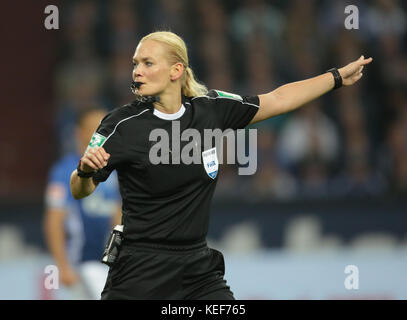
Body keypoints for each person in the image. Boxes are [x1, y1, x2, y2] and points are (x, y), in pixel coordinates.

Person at [70, 31, 373, 300]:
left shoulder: (211, 110)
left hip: (196, 268)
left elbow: (278, 99)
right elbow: (80, 190)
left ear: (176, 70)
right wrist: (84, 171)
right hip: (139, 269)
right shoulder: (120, 124)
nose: (137, 71)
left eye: (148, 63)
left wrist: (335, 78)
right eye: (135, 64)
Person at [44, 107, 122, 299]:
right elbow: (54, 221)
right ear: (79, 133)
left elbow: (118, 218)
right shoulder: (64, 171)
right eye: (96, 129)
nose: (103, 134)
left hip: (105, 266)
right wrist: (63, 266)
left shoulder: (115, 171)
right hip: (80, 264)